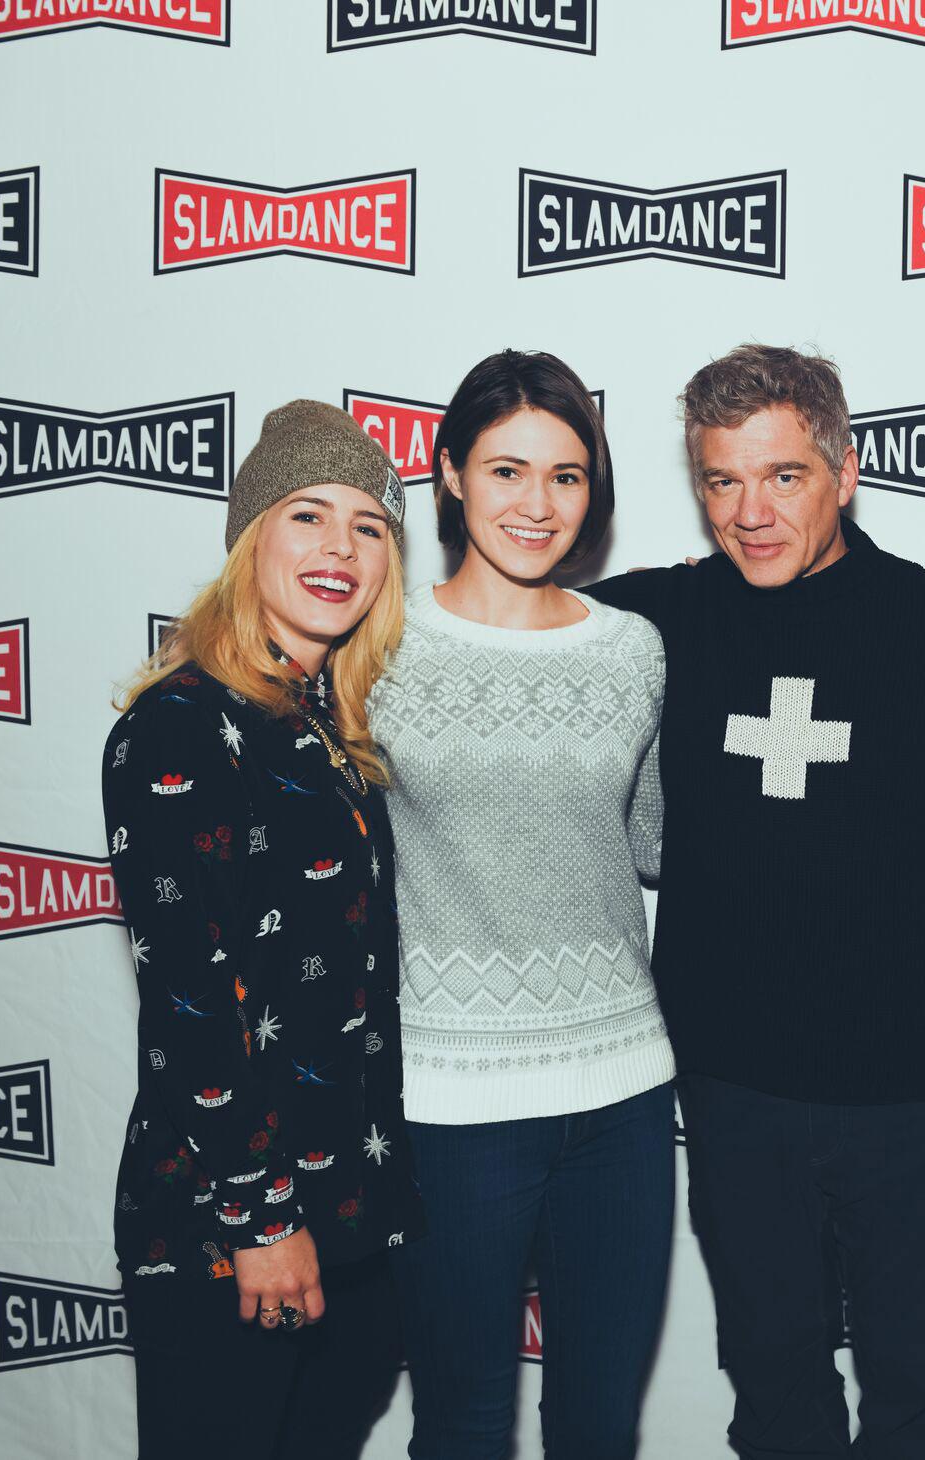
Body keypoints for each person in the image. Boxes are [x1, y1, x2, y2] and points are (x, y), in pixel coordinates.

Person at [586, 344, 925, 1459]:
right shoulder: (651, 623)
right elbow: (489, 631)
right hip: (734, 1089)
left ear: (844, 471)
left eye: (781, 477)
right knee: (772, 1387)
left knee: (917, 1385)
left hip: (912, 1091)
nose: (749, 512)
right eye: (721, 481)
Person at [370, 350, 675, 1459]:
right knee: (461, 1425)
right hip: (447, 1099)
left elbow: (650, 843)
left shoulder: (632, 651)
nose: (535, 504)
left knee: (597, 1427)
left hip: (622, 1098)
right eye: (506, 470)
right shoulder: (375, 646)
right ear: (448, 473)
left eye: (566, 475)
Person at [102, 399, 420, 1460]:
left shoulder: (331, 723)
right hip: (231, 1231)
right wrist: (261, 1219)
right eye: (307, 514)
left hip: (348, 1210)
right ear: (250, 538)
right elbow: (189, 997)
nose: (340, 546)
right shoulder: (181, 725)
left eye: (368, 526)